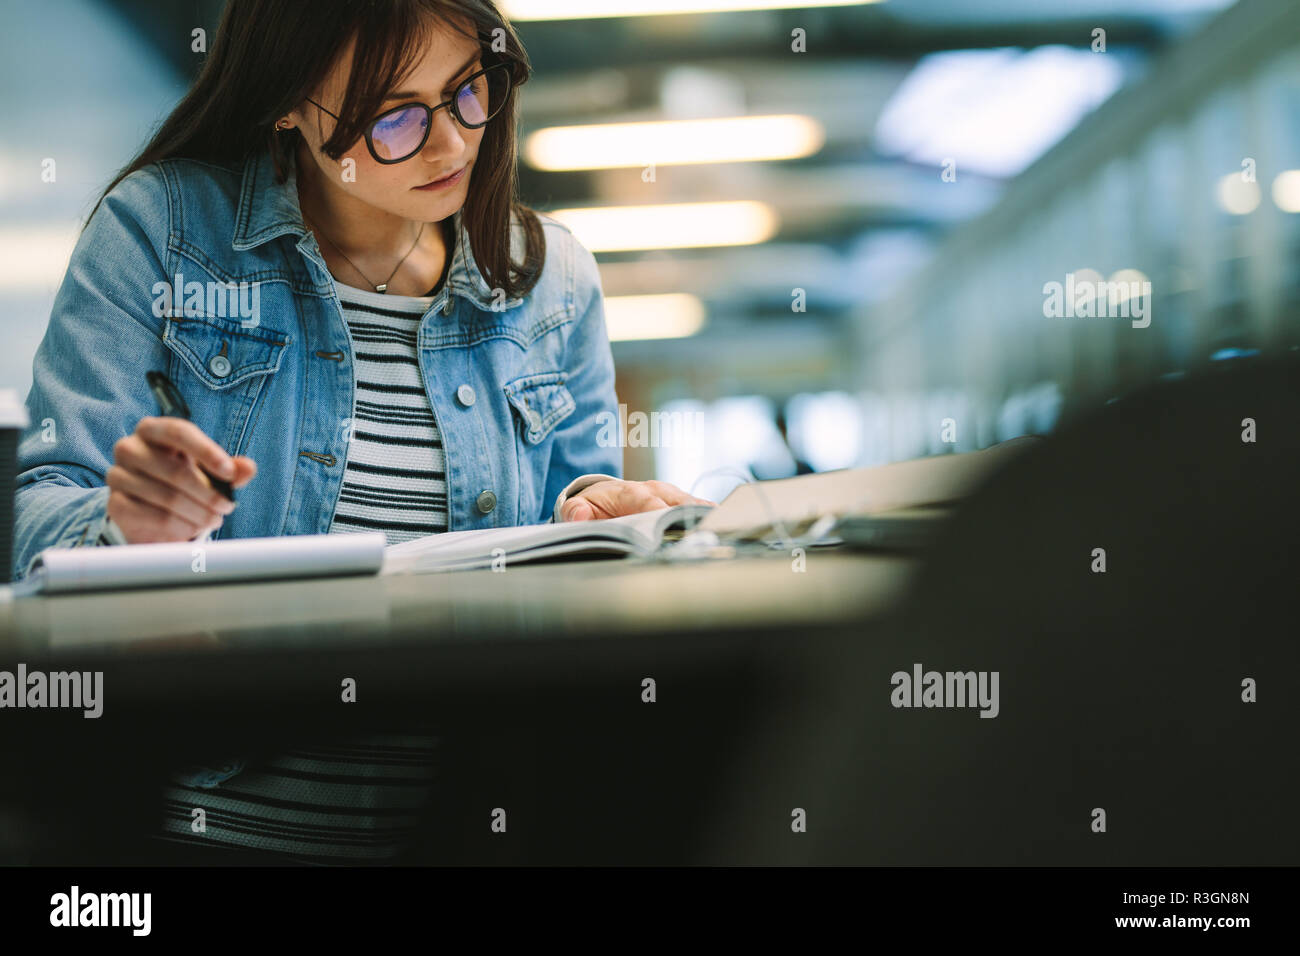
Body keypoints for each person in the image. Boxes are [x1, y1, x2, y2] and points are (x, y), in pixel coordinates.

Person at [13, 0, 709, 864]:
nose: (452, 144)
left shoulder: (549, 276)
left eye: (469, 92)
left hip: (470, 821)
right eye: (395, 116)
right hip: (210, 827)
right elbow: (37, 516)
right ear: (288, 103)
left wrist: (594, 511)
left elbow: (580, 525)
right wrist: (125, 529)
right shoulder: (162, 232)